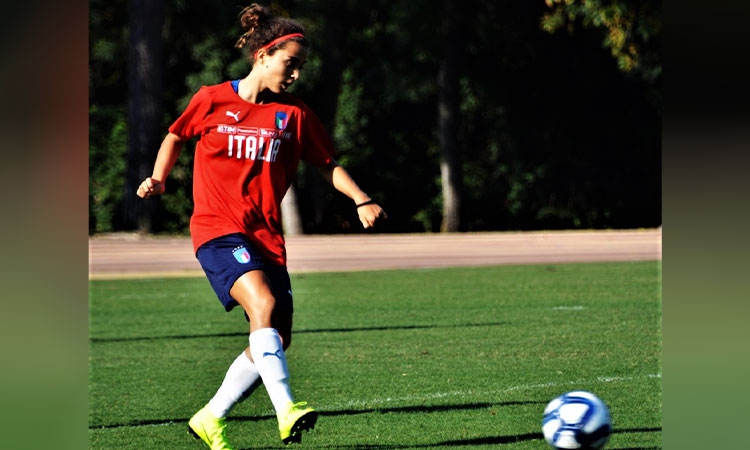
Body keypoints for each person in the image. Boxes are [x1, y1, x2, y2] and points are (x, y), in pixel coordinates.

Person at [136, 3, 387, 448]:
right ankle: (286, 409)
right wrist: (158, 177)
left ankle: (211, 417)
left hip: (266, 236)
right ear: (263, 56)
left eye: (301, 67)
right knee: (263, 303)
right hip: (217, 228)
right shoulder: (211, 98)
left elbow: (326, 163)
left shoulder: (294, 115)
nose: (295, 75)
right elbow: (176, 134)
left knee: (277, 334)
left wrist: (360, 198)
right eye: (290, 64)